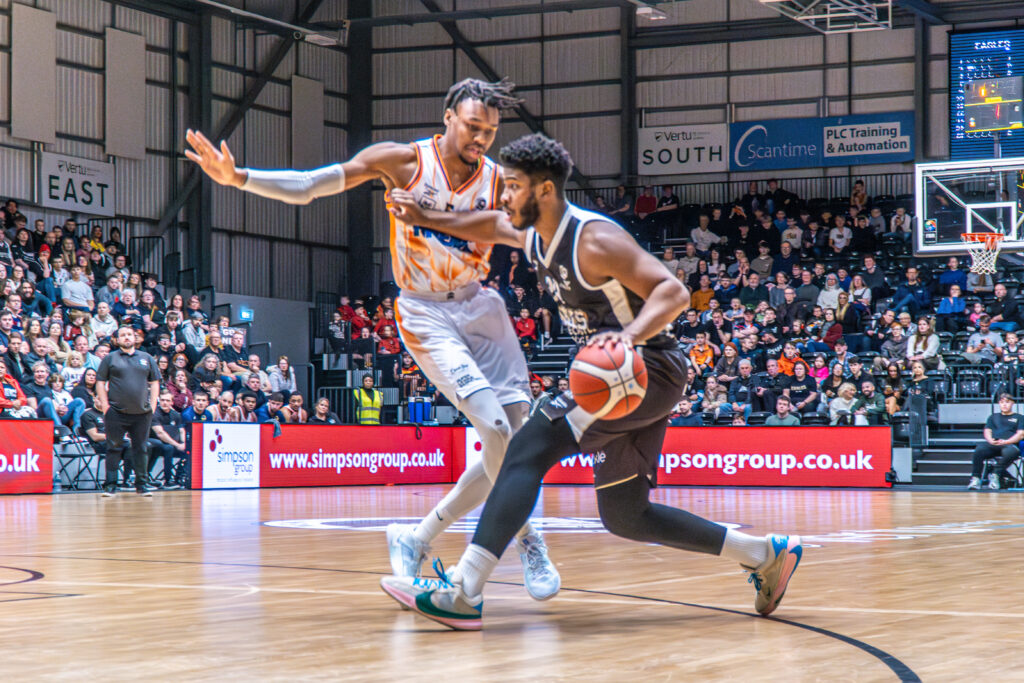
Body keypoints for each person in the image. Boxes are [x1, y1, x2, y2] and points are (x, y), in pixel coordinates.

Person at [382, 133, 800, 630]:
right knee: (625, 514)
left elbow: (674, 291)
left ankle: (465, 588)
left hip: (646, 366)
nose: (503, 196)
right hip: (623, 374)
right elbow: (487, 223)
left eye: (512, 186)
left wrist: (627, 338)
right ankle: (764, 554)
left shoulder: (594, 240)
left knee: (526, 447)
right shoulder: (531, 231)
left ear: (542, 191)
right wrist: (423, 217)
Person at [185, 78, 558, 595]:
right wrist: (239, 177)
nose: (481, 139)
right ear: (448, 116)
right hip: (425, 311)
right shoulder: (403, 162)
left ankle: (418, 536)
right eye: (474, 127)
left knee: (519, 442)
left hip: (481, 306)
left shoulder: (497, 179)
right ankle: (528, 535)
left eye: (491, 132)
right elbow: (311, 185)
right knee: (496, 433)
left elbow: (519, 232)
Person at [95, 326, 162, 497]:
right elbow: (100, 382)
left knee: (141, 448)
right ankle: (110, 485)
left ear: (136, 338)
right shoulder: (110, 358)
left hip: (142, 413)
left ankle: (142, 484)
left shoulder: (146, 358)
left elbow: (155, 382)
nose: (126, 337)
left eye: (129, 335)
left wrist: (152, 406)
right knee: (114, 447)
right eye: (123, 335)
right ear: (117, 340)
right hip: (116, 412)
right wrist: (105, 405)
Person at [968, 393, 1024, 490]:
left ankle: (995, 474)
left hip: (1009, 445)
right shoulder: (993, 417)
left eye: (1007, 402)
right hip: (994, 443)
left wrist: (1007, 442)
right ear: (999, 404)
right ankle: (975, 478)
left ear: (1012, 403)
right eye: (1002, 402)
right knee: (979, 450)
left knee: (1012, 452)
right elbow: (987, 431)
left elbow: (1021, 434)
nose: (1004, 404)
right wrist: (990, 440)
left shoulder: (1019, 417)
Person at [147, 391, 188, 489]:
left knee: (188, 449)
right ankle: (168, 480)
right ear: (159, 401)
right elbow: (160, 434)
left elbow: (181, 430)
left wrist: (183, 443)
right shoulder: (155, 414)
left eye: (167, 400)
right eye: (162, 400)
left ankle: (180, 477)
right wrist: (177, 445)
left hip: (172, 443)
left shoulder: (176, 415)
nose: (164, 403)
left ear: (172, 403)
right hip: (155, 442)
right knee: (168, 447)